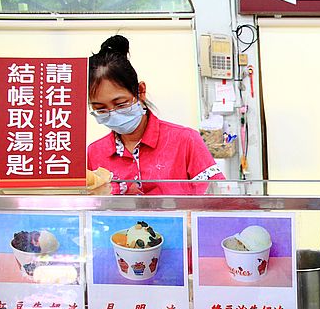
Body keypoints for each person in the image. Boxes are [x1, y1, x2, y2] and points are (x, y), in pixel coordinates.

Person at [87, 35, 224, 195]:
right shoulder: (95, 152)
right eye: (101, 109)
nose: (113, 113)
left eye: (120, 104)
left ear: (141, 91)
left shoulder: (185, 141)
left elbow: (216, 201)